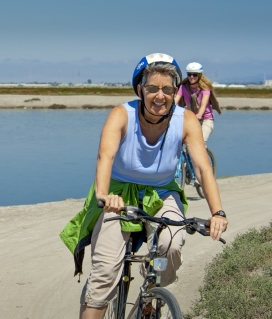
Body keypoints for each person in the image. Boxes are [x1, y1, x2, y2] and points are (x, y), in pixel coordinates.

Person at [59, 53, 228, 319]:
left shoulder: (186, 120)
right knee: (105, 273)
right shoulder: (121, 114)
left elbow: (202, 167)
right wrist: (104, 195)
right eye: (152, 88)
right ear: (140, 89)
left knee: (170, 244)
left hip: (162, 194)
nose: (160, 96)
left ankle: (151, 289)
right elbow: (106, 156)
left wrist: (218, 212)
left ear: (175, 92)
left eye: (167, 89)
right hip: (117, 194)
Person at [174, 62, 221, 143]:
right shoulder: (183, 87)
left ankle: (203, 155)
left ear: (199, 75)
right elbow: (175, 100)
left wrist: (199, 115)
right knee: (180, 140)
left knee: (200, 142)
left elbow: (203, 104)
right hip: (192, 118)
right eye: (189, 74)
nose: (192, 77)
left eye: (195, 74)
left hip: (206, 119)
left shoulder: (205, 88)